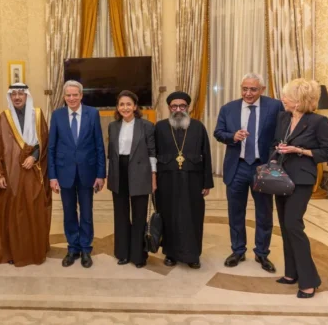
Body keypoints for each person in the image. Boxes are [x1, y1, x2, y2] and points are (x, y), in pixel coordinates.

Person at [273, 79, 328, 298]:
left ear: (299, 100)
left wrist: (300, 150)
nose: (283, 99)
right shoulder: (283, 117)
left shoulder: (319, 121)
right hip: (280, 178)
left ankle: (310, 280)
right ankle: (291, 273)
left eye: (287, 96)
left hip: (301, 180)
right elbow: (275, 141)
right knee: (284, 226)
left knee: (293, 224)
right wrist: (279, 148)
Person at [214, 73, 284, 272]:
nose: (248, 93)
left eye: (253, 89)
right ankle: (238, 250)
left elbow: (282, 133)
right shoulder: (228, 108)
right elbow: (218, 132)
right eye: (244, 88)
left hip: (263, 166)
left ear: (262, 89)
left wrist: (275, 157)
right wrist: (232, 136)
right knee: (236, 212)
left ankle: (262, 253)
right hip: (237, 167)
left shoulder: (275, 106)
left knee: (264, 213)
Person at [0, 83, 52, 266]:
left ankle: (34, 251)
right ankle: (13, 252)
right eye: (14, 94)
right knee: (13, 214)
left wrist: (34, 157)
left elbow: (44, 142)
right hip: (11, 174)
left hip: (33, 171)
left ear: (27, 96)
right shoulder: (4, 117)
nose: (17, 97)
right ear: (10, 97)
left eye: (21, 94)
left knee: (33, 210)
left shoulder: (37, 115)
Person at [48, 80, 106, 268]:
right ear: (64, 97)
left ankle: (86, 249)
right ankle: (73, 248)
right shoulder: (57, 115)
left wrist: (101, 174)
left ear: (81, 95)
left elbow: (99, 145)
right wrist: (52, 176)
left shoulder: (92, 113)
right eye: (68, 95)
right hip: (64, 172)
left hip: (87, 172)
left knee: (87, 213)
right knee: (69, 212)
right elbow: (51, 147)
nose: (72, 98)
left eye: (75, 95)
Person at [155, 91, 213, 269]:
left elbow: (206, 154)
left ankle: (193, 255)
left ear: (188, 107)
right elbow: (152, 155)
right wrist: (153, 180)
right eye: (174, 106)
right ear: (169, 108)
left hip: (193, 179)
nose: (178, 109)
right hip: (167, 179)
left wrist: (207, 183)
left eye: (182, 106)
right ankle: (170, 253)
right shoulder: (160, 127)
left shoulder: (198, 127)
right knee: (169, 216)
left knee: (192, 217)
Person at [107, 90, 156, 268]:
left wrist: (153, 177)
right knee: (120, 214)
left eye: (129, 104)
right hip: (118, 172)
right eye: (121, 104)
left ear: (135, 107)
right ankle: (123, 253)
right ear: (117, 107)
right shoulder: (113, 126)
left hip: (140, 172)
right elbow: (110, 154)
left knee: (139, 215)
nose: (125, 108)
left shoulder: (147, 126)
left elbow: (152, 153)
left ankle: (138, 255)